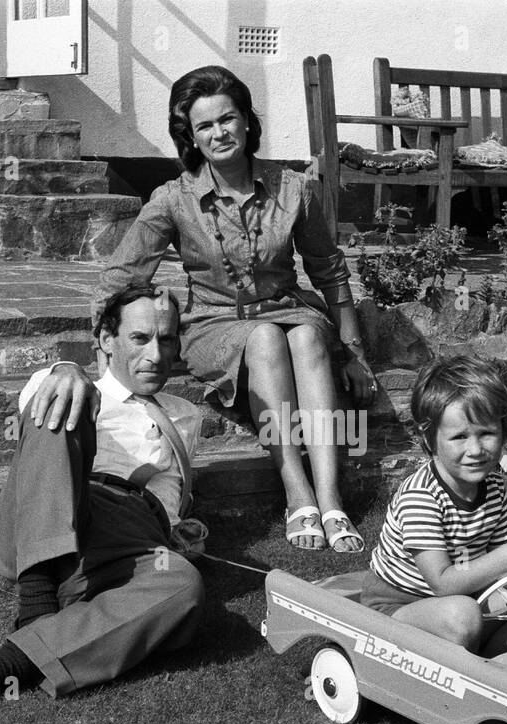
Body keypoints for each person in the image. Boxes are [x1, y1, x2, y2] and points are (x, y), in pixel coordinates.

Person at [53, 64, 377, 552]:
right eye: (204, 125)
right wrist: (107, 359)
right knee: (265, 339)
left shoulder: (293, 189)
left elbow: (329, 271)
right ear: (191, 136)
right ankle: (298, 495)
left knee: (308, 335)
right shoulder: (173, 199)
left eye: (227, 119)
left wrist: (353, 351)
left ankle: (331, 500)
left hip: (289, 310)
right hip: (214, 322)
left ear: (246, 121)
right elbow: (120, 279)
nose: (218, 133)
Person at [0, 285, 204, 724]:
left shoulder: (186, 416)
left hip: (130, 547)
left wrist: (179, 530)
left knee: (184, 584)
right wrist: (66, 369)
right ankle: (38, 605)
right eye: (140, 338)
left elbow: (173, 496)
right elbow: (48, 406)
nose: (156, 355)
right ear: (107, 340)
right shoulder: (70, 385)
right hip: (53, 513)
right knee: (66, 404)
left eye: (167, 339)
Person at [362, 356, 507, 656]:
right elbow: (442, 583)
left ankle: (494, 665)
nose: (476, 450)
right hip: (401, 605)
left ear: (504, 430)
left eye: (487, 433)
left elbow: (496, 560)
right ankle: (467, 666)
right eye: (459, 437)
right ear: (430, 439)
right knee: (463, 617)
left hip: (465, 595)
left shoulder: (493, 485)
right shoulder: (421, 496)